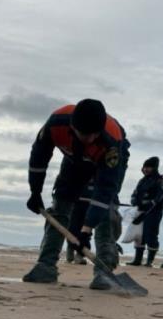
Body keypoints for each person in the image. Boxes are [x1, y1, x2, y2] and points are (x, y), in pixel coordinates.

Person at [22, 99, 130, 290]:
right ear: (72, 126)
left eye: (93, 135)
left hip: (105, 160)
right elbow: (39, 157)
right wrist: (35, 191)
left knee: (107, 210)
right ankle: (46, 266)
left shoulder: (110, 141)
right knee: (60, 204)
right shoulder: (56, 124)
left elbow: (104, 191)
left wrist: (85, 231)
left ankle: (104, 270)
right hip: (74, 160)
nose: (89, 139)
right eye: (85, 134)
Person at [127, 156, 163, 266]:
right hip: (139, 211)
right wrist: (133, 199)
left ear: (154, 168)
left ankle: (149, 261)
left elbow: (161, 196)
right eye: (144, 167)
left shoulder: (160, 180)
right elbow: (135, 193)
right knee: (138, 235)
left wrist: (151, 203)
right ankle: (137, 260)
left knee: (151, 235)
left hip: (153, 211)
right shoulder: (142, 181)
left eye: (148, 167)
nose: (145, 169)